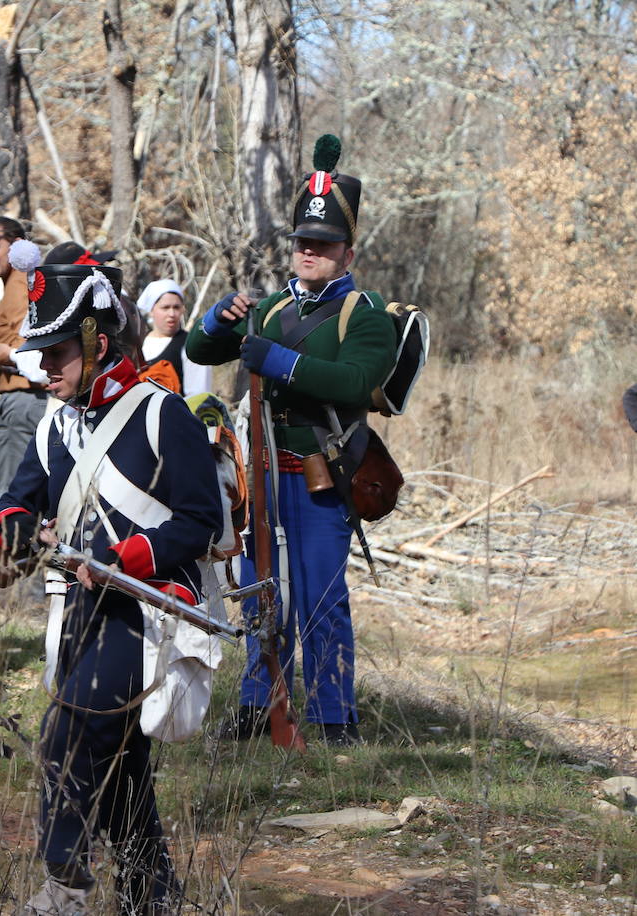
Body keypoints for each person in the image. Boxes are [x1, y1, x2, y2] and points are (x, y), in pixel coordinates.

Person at [0, 250, 223, 914]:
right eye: (41, 351)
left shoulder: (160, 414)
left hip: (146, 613)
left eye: (59, 350)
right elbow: (17, 497)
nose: (46, 366)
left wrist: (132, 557)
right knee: (120, 764)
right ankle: (155, 894)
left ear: (94, 341)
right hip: (81, 613)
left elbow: (201, 521)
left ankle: (63, 883)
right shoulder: (56, 423)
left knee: (71, 732)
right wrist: (7, 523)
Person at [185, 134, 397, 745]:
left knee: (322, 599)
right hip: (263, 476)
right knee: (260, 595)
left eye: (323, 244)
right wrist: (216, 318)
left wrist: (278, 361)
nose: (309, 251)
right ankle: (259, 705)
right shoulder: (274, 307)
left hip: (320, 477)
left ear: (347, 251)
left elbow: (356, 380)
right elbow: (200, 350)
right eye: (303, 241)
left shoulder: (365, 313)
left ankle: (334, 717)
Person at [0, 216, 51, 497]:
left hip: (25, 403)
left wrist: (7, 356)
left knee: (12, 497)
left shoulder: (21, 285)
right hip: (20, 397)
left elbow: (34, 350)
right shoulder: (14, 284)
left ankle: (11, 541)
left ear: (16, 247)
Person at [136, 278, 212, 395]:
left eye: (176, 307)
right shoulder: (139, 343)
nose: (171, 314)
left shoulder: (190, 345)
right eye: (165, 308)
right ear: (151, 310)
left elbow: (198, 395)